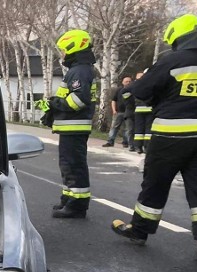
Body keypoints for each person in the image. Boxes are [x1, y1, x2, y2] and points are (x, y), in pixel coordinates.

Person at [112, 14, 197, 259]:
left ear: (177, 36)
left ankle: (140, 231)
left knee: (155, 184)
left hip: (171, 135)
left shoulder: (173, 61)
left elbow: (143, 90)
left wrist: (128, 91)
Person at [37, 29, 97, 219]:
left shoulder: (79, 71)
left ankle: (77, 206)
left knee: (74, 166)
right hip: (71, 128)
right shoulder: (78, 70)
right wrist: (53, 110)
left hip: (75, 128)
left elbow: (79, 101)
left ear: (73, 47)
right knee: (68, 166)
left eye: (63, 50)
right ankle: (69, 199)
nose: (62, 54)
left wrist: (55, 104)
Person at [103, 76, 133, 147]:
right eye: (126, 81)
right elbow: (114, 100)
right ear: (123, 82)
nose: (128, 83)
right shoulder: (119, 90)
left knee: (127, 128)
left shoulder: (133, 90)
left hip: (128, 112)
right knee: (114, 127)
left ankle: (125, 142)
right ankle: (110, 141)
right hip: (118, 112)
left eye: (129, 81)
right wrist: (114, 110)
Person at [132, 71, 154, 154]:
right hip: (148, 109)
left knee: (139, 129)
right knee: (147, 129)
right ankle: (146, 147)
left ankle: (138, 147)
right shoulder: (150, 84)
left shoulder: (135, 85)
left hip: (140, 109)